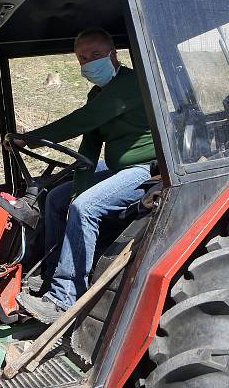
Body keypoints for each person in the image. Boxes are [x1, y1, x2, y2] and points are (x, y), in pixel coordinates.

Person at [13, 27, 155, 323]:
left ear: (113, 54)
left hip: (146, 169)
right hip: (116, 166)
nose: (88, 62)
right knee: (57, 198)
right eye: (82, 58)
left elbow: (81, 121)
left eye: (96, 55)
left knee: (85, 207)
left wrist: (34, 137)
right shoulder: (97, 93)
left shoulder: (129, 84)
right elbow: (89, 144)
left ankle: (65, 298)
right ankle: (51, 274)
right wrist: (78, 185)